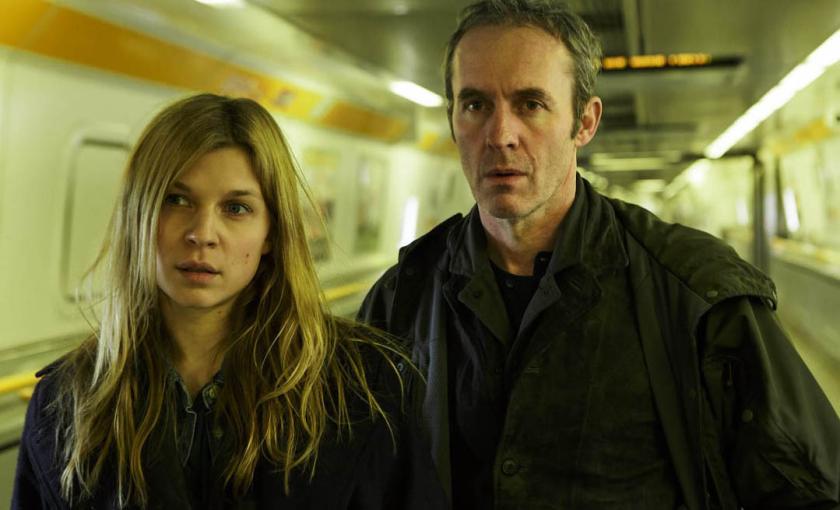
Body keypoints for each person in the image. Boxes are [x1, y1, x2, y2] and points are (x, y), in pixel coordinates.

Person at [358, 1, 840, 509]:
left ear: (584, 123)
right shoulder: (401, 300)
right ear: (452, 119)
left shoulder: (695, 294)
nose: (500, 136)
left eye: (530, 104)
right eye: (475, 105)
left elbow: (811, 493)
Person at [13, 94, 446, 509]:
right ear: (138, 218)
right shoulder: (66, 405)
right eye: (176, 200)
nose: (202, 234)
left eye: (236, 208)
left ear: (271, 232)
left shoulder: (362, 389)